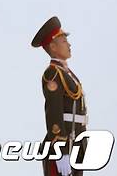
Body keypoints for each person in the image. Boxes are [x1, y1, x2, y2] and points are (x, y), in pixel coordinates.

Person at [32, 16, 87, 176]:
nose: (69, 44)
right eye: (64, 41)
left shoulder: (67, 73)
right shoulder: (53, 73)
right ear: (53, 47)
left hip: (75, 143)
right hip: (64, 146)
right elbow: (54, 114)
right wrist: (60, 151)